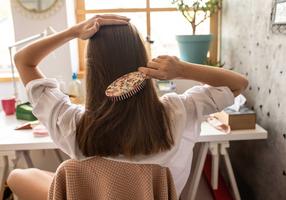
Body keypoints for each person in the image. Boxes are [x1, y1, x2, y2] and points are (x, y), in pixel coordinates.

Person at [7, 14, 248, 200]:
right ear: (142, 59)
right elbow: (239, 84)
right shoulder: (179, 111)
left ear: (92, 70)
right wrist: (182, 68)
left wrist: (72, 32)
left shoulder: (73, 123)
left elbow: (23, 61)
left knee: (19, 176)